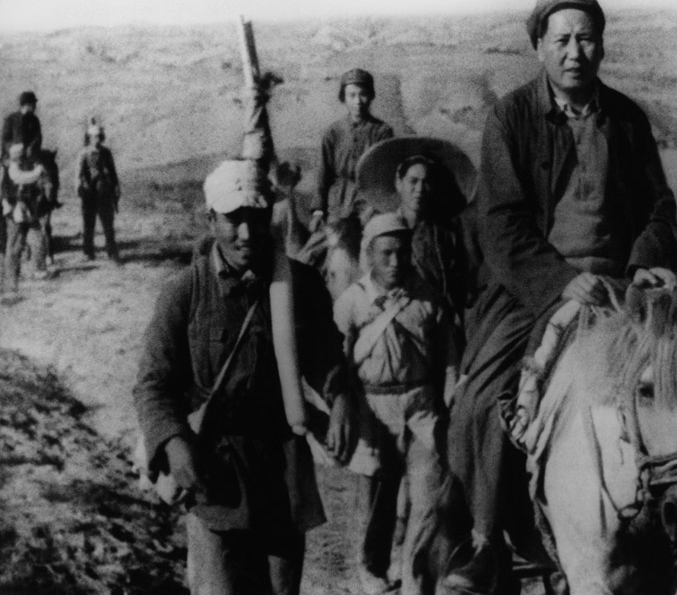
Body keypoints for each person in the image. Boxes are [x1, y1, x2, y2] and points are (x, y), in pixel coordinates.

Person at [445, 0, 677, 593]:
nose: (575, 52)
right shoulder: (512, 117)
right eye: (562, 41)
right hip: (534, 286)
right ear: (539, 49)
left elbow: (658, 207)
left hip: (620, 283)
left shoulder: (626, 118)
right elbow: (500, 220)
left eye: (586, 39)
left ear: (601, 45)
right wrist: (557, 281)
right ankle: (483, 541)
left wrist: (649, 262)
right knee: (481, 402)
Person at [133, 159, 352, 595]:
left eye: (257, 218)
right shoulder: (185, 291)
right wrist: (175, 444)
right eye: (233, 220)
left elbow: (328, 359)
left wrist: (341, 396)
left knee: (280, 589)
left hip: (283, 470)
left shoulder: (302, 286)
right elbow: (153, 384)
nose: (247, 233)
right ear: (211, 219)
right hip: (215, 468)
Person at [333, 212, 458, 595]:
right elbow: (335, 361)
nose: (395, 262)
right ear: (369, 255)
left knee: (428, 499)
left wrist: (449, 404)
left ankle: (416, 577)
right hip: (374, 408)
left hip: (422, 407)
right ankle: (372, 567)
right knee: (377, 500)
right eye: (386, 253)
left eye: (402, 253)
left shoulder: (428, 297)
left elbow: (450, 359)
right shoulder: (353, 302)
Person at [356, 136, 477, 322]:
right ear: (399, 183)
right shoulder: (379, 230)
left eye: (426, 182)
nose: (420, 189)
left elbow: (458, 282)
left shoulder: (445, 235)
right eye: (413, 181)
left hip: (437, 318)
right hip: (388, 316)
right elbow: (367, 277)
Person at [310, 68, 395, 238]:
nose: (358, 101)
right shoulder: (333, 132)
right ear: (343, 98)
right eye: (352, 95)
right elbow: (323, 172)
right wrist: (319, 210)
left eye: (363, 94)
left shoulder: (382, 131)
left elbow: (386, 174)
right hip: (338, 203)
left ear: (371, 96)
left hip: (371, 202)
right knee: (315, 253)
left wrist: (374, 207)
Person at [1, 142, 55, 292]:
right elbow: (22, 179)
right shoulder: (11, 170)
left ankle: (40, 270)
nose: (22, 159)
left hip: (28, 212)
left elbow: (33, 185)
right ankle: (11, 281)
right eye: (20, 157)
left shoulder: (22, 167)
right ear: (15, 158)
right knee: (14, 246)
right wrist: (38, 171)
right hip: (15, 213)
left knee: (37, 238)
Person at [76, 118, 121, 262]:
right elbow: (78, 173)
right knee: (88, 224)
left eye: (98, 137)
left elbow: (113, 172)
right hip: (89, 192)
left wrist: (116, 187)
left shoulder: (106, 152)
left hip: (104, 191)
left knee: (108, 224)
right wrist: (79, 186)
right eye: (94, 137)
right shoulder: (84, 153)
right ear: (89, 137)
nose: (96, 139)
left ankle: (112, 252)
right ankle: (88, 252)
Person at [1, 91, 43, 159]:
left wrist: (31, 147)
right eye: (33, 103)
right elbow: (5, 140)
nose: (35, 106)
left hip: (30, 156)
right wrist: (12, 148)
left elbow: (38, 137)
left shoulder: (34, 120)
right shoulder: (11, 119)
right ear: (27, 104)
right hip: (13, 156)